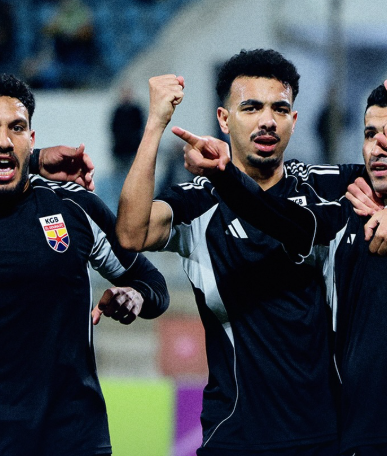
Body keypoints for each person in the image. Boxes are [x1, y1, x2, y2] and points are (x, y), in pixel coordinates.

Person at [180, 77, 387, 456]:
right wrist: (224, 173)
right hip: (364, 441)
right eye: (370, 134)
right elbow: (274, 215)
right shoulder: (344, 216)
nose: (378, 147)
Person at [116, 49, 370, 455]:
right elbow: (131, 233)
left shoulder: (325, 187)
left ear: (294, 120)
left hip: (325, 437)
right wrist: (155, 124)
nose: (267, 120)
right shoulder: (198, 201)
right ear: (224, 119)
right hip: (233, 438)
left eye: (279, 109)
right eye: (251, 107)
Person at [0, 73, 170, 456]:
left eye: (16, 128)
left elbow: (152, 283)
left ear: (31, 138)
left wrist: (136, 296)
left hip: (76, 438)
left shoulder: (74, 206)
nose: (4, 140)